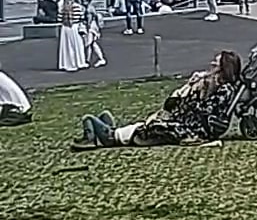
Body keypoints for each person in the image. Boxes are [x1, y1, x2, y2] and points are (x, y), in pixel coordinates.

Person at [75, 51, 244, 148]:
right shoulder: (214, 86)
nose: (211, 64)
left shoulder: (224, 90)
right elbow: (180, 106)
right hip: (188, 124)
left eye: (216, 62)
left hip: (192, 129)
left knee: (150, 126)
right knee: (148, 124)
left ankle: (105, 135)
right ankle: (107, 132)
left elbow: (201, 110)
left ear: (222, 68)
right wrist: (193, 86)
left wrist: (194, 90)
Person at [58, 0, 88, 73]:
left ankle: (67, 64)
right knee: (77, 45)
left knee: (66, 46)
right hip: (74, 27)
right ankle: (79, 62)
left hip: (65, 28)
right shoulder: (77, 6)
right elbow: (81, 17)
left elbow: (59, 19)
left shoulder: (62, 7)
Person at [79, 0, 107, 69]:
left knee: (89, 43)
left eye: (84, 1)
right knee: (92, 44)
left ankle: (90, 60)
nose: (82, 2)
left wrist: (87, 28)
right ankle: (92, 60)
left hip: (91, 27)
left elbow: (89, 19)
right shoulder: (90, 8)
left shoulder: (89, 9)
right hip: (93, 27)